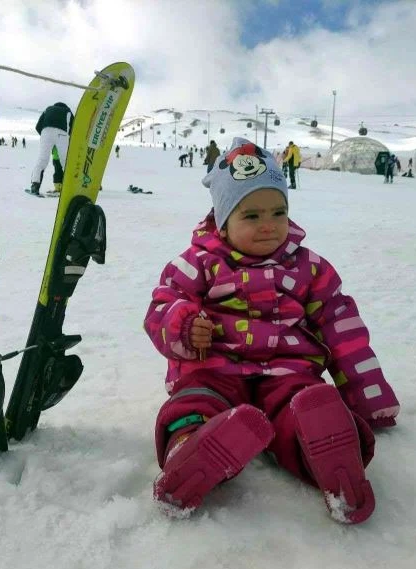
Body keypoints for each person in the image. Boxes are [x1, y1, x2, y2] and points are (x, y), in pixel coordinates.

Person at [144, 137, 399, 524]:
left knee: (305, 404)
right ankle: (189, 449)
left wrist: (369, 400)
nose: (269, 225)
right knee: (195, 402)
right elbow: (164, 303)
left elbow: (342, 330)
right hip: (214, 368)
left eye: (278, 212)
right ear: (222, 222)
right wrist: (184, 326)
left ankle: (328, 456)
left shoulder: (310, 268)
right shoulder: (199, 263)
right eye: (251, 216)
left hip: (287, 373)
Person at [29, 102, 73, 196]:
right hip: (62, 133)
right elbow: (73, 127)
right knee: (65, 161)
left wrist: (46, 138)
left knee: (42, 160)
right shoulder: (67, 111)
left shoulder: (48, 109)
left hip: (46, 132)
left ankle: (35, 186)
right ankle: (70, 188)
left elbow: (38, 126)